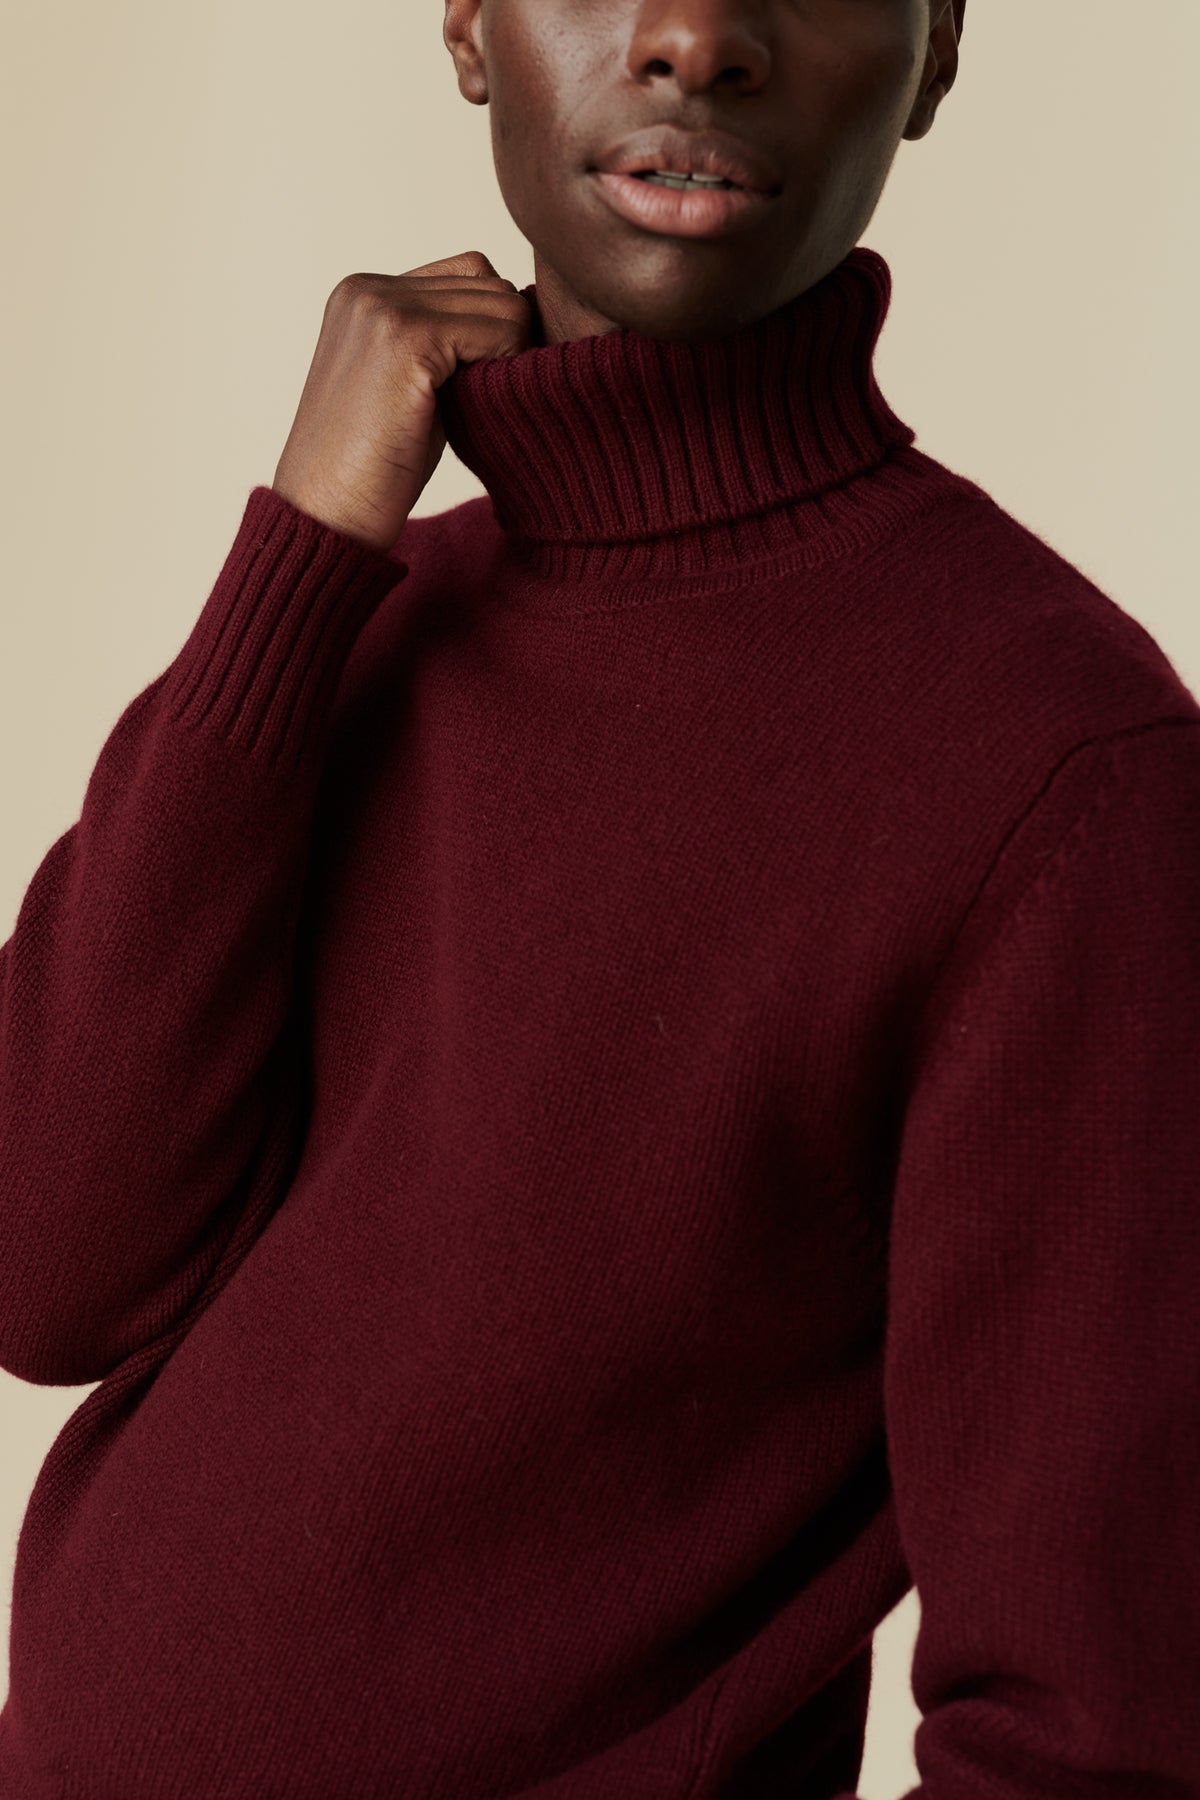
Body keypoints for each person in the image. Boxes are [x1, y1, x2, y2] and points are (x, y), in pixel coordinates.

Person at [1, 0, 1197, 1793]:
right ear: (469, 25)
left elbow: (1089, 1728)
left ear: (937, 48)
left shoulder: (1060, 765)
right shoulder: (357, 617)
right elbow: (45, 1265)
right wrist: (309, 542)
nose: (695, 35)